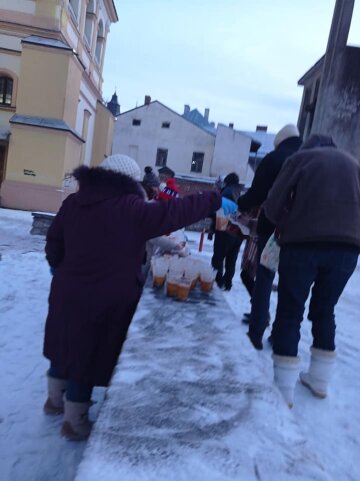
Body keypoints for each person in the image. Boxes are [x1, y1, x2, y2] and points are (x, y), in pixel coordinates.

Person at [43, 153, 221, 440]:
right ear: (130, 182)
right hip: (106, 298)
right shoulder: (131, 209)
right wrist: (212, 199)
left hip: (66, 290)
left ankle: (53, 401)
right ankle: (74, 422)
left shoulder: (73, 203)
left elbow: (54, 242)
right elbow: (173, 212)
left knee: (64, 343)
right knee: (85, 358)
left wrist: (59, 270)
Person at [264, 134, 360, 407]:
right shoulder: (354, 164)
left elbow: (272, 207)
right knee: (325, 308)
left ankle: (283, 389)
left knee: (290, 310)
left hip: (302, 245)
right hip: (348, 248)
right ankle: (319, 380)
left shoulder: (300, 159)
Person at [237, 124, 302, 349]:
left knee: (264, 278)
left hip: (272, 229)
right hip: (302, 233)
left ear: (280, 141)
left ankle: (256, 331)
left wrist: (240, 205)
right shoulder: (308, 158)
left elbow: (257, 193)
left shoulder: (274, 158)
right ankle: (279, 335)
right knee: (290, 283)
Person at [211, 172, 243, 291]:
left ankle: (217, 282)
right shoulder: (241, 192)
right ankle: (228, 283)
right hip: (238, 232)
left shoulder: (227, 192)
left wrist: (217, 228)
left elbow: (221, 212)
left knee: (218, 257)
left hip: (225, 229)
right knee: (231, 259)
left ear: (227, 182)